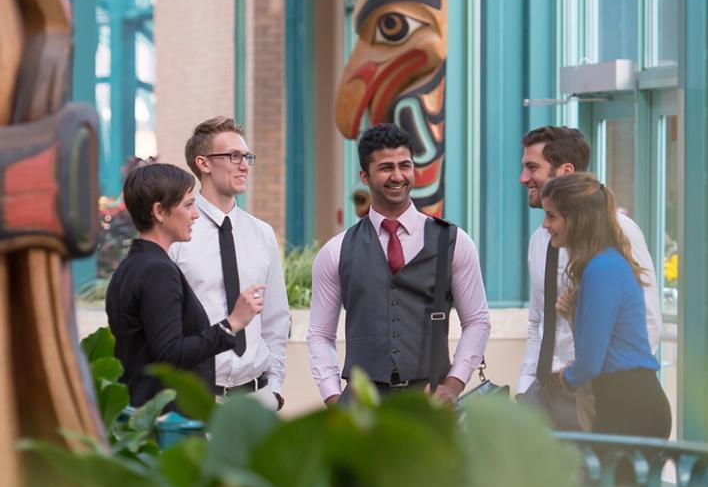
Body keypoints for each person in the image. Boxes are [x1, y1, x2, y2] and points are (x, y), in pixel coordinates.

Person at [307, 124, 491, 405]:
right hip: (361, 405)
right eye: (386, 168)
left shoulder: (454, 242)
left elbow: (477, 321)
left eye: (405, 165)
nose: (397, 176)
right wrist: (333, 398)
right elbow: (320, 335)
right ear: (364, 176)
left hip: (429, 402)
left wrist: (453, 384)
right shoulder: (336, 252)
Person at [516, 126, 662, 430]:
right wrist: (525, 387)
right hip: (544, 394)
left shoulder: (618, 235)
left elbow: (647, 321)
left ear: (565, 171)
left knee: (597, 476)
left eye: (532, 167)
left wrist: (606, 392)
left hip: (592, 393)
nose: (523, 178)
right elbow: (538, 320)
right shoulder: (540, 238)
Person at [106, 163, 263, 407]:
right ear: (159, 211)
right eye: (188, 205)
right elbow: (171, 354)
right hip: (166, 423)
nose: (196, 214)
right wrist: (232, 324)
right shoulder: (157, 271)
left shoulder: (131, 266)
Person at [170, 117, 290, 411]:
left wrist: (273, 390)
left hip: (256, 400)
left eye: (247, 156)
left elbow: (276, 320)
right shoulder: (176, 235)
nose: (244, 165)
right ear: (204, 163)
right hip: (197, 403)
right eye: (234, 156)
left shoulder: (262, 234)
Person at [541, 173, 671, 438]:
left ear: (577, 220)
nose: (545, 225)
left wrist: (566, 378)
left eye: (552, 216)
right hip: (631, 399)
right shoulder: (607, 262)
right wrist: (573, 316)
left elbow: (590, 361)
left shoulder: (600, 268)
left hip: (627, 404)